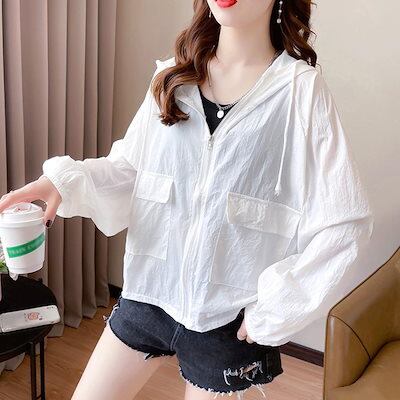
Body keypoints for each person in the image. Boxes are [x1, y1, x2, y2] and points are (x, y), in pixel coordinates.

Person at [0, 0, 374, 399]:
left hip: (226, 320)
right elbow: (129, 170)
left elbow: (345, 222)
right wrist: (64, 182)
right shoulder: (172, 78)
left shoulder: (300, 92)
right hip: (149, 295)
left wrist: (275, 310)